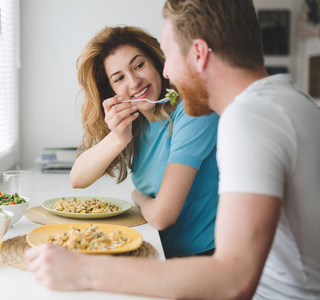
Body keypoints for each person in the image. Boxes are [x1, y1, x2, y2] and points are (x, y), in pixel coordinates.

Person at [25, 0, 320, 299]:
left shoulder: (247, 119)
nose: (166, 71)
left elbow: (233, 279)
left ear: (199, 54)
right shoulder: (285, 99)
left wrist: (84, 271)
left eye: (168, 56)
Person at [67, 25, 219, 258]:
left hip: (203, 258)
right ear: (112, 91)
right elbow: (77, 179)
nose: (134, 82)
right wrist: (117, 138)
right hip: (158, 249)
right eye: (119, 78)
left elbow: (161, 217)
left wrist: (139, 197)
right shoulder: (137, 124)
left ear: (157, 63)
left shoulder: (193, 111)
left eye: (139, 65)